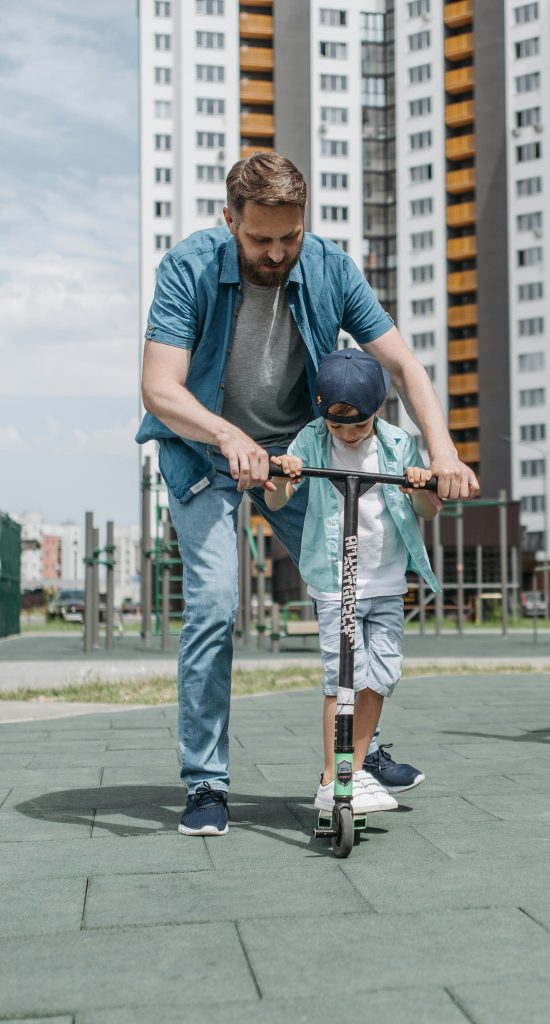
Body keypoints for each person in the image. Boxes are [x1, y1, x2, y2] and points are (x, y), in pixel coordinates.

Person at [137, 152, 479, 837]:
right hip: (205, 453)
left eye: (288, 238)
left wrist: (441, 447)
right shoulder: (188, 267)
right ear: (230, 220)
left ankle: (359, 752)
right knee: (212, 606)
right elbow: (160, 388)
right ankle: (206, 782)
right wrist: (230, 437)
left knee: (364, 588)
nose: (276, 252)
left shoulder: (327, 266)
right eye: (260, 239)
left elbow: (404, 364)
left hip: (298, 458)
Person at [265, 348, 442, 814]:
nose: (346, 434)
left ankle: (356, 770)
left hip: (385, 582)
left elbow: (426, 511)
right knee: (343, 675)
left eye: (357, 426)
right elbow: (280, 500)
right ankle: (333, 776)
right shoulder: (311, 440)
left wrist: (419, 487)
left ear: (377, 411)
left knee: (381, 674)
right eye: (337, 426)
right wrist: (283, 476)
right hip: (334, 582)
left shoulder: (399, 445)